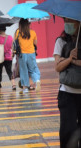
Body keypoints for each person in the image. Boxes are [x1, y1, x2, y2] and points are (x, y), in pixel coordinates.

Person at [53, 18, 81, 148]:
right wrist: (70, 58)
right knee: (67, 131)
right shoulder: (61, 41)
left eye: (71, 21)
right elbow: (58, 67)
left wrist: (72, 61)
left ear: (79, 23)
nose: (67, 24)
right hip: (67, 93)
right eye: (66, 21)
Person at [15, 18, 41, 94]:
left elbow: (15, 43)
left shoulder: (18, 32)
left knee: (24, 71)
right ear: (28, 24)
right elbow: (35, 43)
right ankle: (37, 80)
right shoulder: (33, 32)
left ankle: (25, 88)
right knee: (33, 69)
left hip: (22, 54)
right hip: (31, 53)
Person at [0, 26, 16, 90]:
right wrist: (12, 55)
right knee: (9, 72)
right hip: (8, 57)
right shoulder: (10, 37)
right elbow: (13, 47)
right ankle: (13, 85)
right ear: (5, 30)